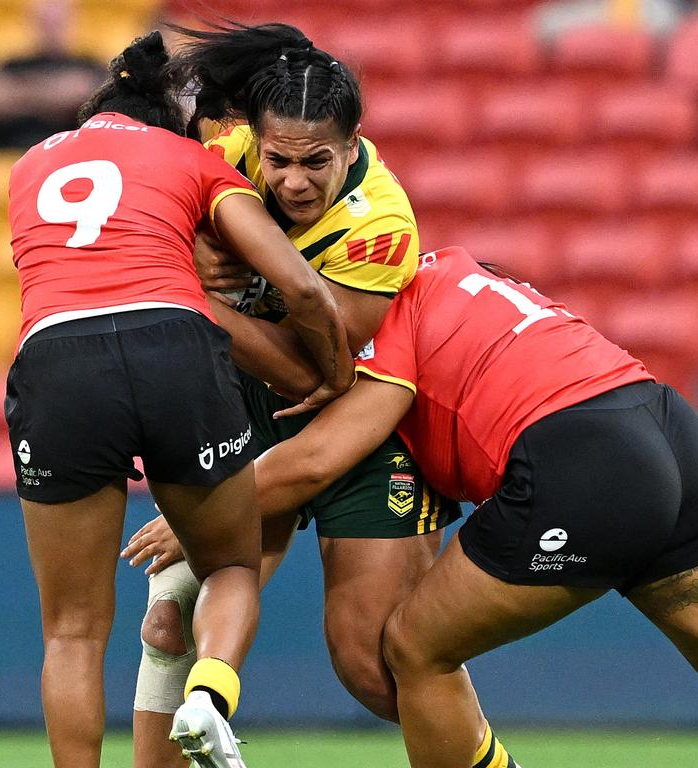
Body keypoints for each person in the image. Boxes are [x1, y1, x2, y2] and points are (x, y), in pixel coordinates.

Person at [181, 244, 698, 767]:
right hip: (665, 426)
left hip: (579, 464)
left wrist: (199, 518)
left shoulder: (389, 324)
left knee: (412, 650)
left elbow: (318, 458)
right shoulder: (457, 266)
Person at [5, 32, 353, 768]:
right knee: (230, 564)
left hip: (56, 360)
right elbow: (300, 286)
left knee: (71, 630)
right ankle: (208, 693)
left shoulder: (26, 167)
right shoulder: (191, 159)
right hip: (172, 345)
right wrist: (331, 376)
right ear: (180, 117)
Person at [121, 22, 461, 768]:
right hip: (249, 407)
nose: (295, 182)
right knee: (171, 611)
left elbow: (315, 370)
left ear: (351, 145)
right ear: (254, 141)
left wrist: (212, 295)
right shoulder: (226, 154)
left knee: (373, 663)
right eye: (278, 161)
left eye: (317, 163)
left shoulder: (380, 227)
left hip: (361, 423)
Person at [0, 0, 106, 170]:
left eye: (56, 22)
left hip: (64, 142)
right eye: (45, 21)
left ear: (72, 22)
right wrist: (56, 95)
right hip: (9, 139)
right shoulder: (11, 63)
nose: (50, 28)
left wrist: (19, 94)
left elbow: (83, 95)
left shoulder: (88, 64)